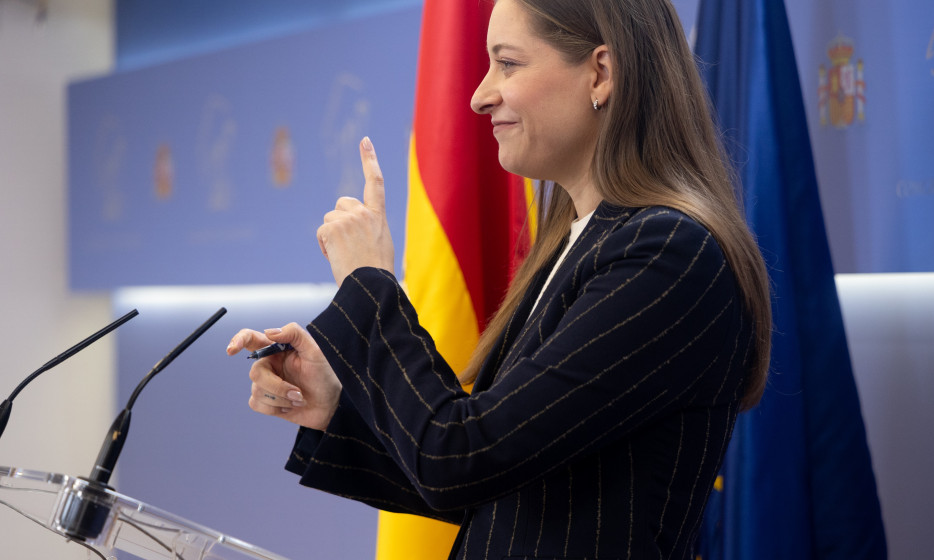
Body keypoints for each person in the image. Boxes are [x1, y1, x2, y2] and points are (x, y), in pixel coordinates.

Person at [226, 0, 772, 558]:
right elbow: (501, 489)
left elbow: (460, 461)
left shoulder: (666, 253)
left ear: (601, 73)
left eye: (507, 63)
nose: (480, 95)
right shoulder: (579, 243)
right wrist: (335, 405)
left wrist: (369, 284)